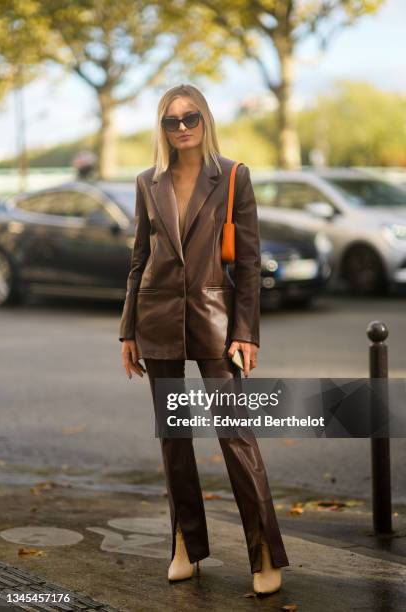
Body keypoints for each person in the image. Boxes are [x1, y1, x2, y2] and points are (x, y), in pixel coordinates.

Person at [119, 83, 289, 594]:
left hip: (217, 321)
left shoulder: (234, 176)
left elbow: (252, 263)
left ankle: (263, 553)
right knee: (175, 440)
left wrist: (246, 332)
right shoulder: (148, 182)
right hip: (157, 320)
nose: (183, 127)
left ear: (206, 119)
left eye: (191, 117)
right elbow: (138, 261)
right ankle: (185, 547)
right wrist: (128, 329)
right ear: (163, 129)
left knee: (236, 436)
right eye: (172, 121)